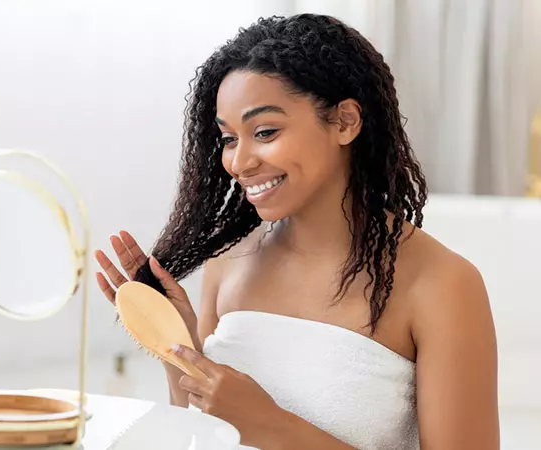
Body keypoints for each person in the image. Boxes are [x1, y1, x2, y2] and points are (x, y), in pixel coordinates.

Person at [95, 13, 499, 450]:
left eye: (265, 132)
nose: (240, 162)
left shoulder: (441, 285)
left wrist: (270, 424)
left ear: (345, 121)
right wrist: (178, 351)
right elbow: (198, 436)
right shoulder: (230, 262)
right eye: (229, 138)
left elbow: (252, 425)